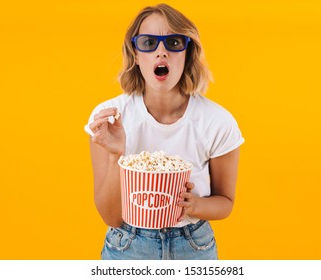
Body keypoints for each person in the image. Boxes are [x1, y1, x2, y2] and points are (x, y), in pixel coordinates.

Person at [84, 3, 244, 260]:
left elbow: (225, 202)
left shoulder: (217, 122)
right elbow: (110, 216)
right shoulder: (109, 118)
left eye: (174, 42)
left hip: (193, 246)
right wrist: (116, 155)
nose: (162, 52)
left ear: (187, 53)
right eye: (148, 43)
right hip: (128, 246)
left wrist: (196, 205)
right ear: (136, 54)